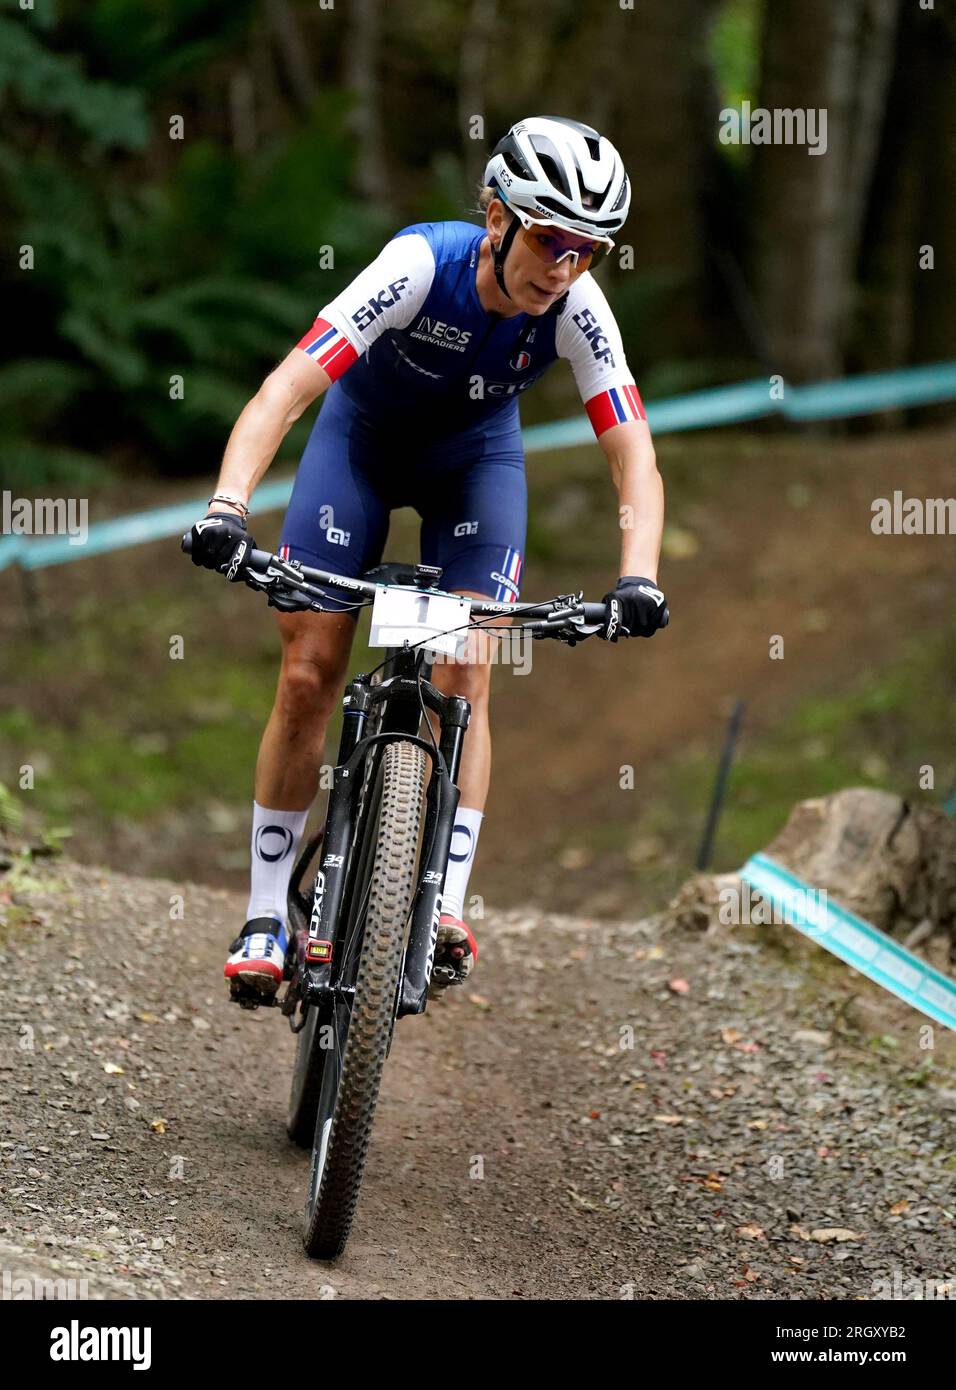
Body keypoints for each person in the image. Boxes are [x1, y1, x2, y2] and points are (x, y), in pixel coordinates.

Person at [189, 115, 668, 1003]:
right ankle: (264, 912)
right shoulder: (420, 266)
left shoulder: (576, 308)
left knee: (468, 672)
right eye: (550, 240)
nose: (562, 268)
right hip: (358, 451)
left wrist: (638, 574)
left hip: (474, 470)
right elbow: (286, 390)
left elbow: (631, 450)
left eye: (588, 251)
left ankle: (441, 899)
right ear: (497, 216)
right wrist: (226, 508)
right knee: (307, 669)